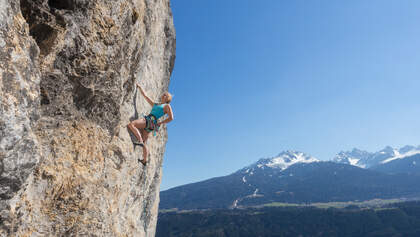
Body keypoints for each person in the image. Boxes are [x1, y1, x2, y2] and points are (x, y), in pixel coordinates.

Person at [127, 83, 174, 165]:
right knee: (144, 143)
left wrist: (161, 122)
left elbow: (171, 118)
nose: (164, 95)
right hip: (151, 124)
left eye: (166, 95)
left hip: (150, 120)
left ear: (168, 99)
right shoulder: (156, 104)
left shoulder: (167, 106)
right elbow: (146, 96)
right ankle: (144, 160)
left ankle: (140, 141)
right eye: (164, 94)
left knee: (132, 125)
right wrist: (140, 87)